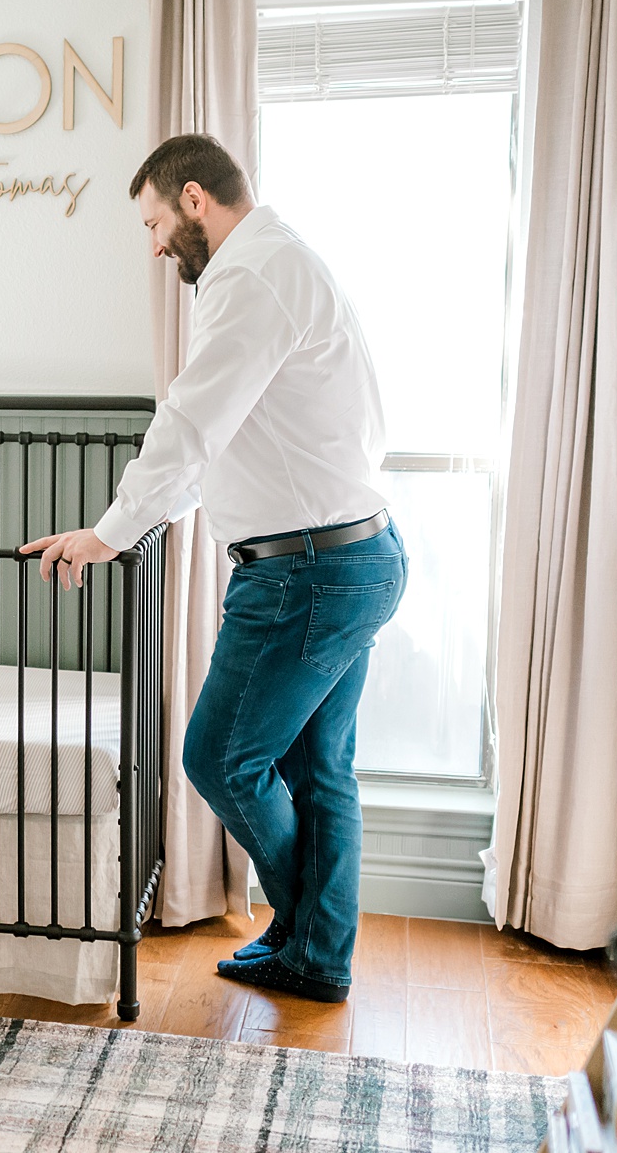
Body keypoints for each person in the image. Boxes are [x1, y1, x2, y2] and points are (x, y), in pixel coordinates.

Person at [23, 134, 405, 1003]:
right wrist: (164, 509)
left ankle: (309, 933)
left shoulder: (250, 278)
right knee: (318, 770)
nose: (154, 246)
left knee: (220, 759)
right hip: (354, 551)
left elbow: (191, 424)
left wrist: (111, 532)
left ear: (195, 200)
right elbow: (244, 434)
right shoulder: (286, 262)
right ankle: (315, 952)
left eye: (156, 222)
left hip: (309, 572)